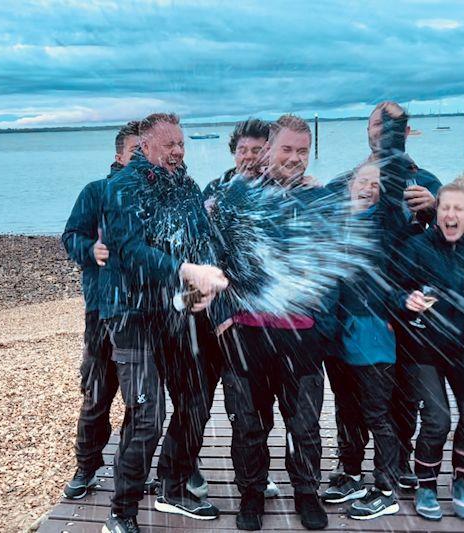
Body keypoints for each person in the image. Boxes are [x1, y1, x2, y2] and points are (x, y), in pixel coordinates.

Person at [97, 113, 229, 533]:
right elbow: (132, 252)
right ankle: (122, 512)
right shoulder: (120, 190)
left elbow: (198, 241)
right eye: (168, 144)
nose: (177, 152)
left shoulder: (186, 186)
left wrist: (205, 283)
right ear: (145, 147)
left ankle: (173, 484)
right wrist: (187, 270)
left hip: (177, 310)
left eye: (181, 145)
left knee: (195, 403)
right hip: (132, 316)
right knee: (147, 416)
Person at [216, 114, 330, 531]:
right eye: (287, 149)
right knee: (249, 425)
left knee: (305, 426)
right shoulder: (236, 198)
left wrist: (325, 327)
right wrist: (219, 317)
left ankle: (306, 493)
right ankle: (251, 494)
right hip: (247, 332)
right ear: (268, 149)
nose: (295, 158)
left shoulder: (318, 199)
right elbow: (211, 259)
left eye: (303, 151)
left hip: (301, 335)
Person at [326, 101, 441, 491]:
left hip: (403, 307)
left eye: (392, 126)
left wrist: (437, 208)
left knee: (402, 394)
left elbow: (454, 237)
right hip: (352, 307)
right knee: (349, 393)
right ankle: (350, 466)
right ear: (367, 129)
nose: (382, 131)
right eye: (377, 124)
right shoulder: (348, 180)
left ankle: (397, 463)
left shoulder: (422, 181)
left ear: (406, 133)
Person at [399, 178, 464, 521]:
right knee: (437, 419)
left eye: (459, 209)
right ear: (436, 212)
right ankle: (426, 485)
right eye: (445, 208)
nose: (451, 214)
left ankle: (461, 481)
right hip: (422, 348)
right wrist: (405, 298)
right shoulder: (416, 246)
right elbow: (392, 289)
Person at [59, 121, 139, 500]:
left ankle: (130, 469)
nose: (141, 159)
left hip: (143, 316)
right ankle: (86, 466)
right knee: (96, 393)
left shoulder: (153, 197)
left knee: (139, 400)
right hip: (102, 312)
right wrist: (90, 250)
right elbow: (70, 236)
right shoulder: (95, 192)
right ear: (119, 156)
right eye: (134, 152)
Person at [320, 163, 401, 521]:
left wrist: (391, 135)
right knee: (346, 407)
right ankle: (351, 473)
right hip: (339, 331)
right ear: (350, 185)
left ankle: (386, 489)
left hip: (373, 331)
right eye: (362, 181)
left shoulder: (385, 223)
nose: (368, 188)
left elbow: (394, 190)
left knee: (377, 412)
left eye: (376, 183)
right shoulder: (337, 224)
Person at [202, 118, 271, 200]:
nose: (249, 156)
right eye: (242, 151)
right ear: (234, 152)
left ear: (269, 153)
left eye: (256, 151)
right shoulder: (215, 188)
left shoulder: (277, 187)